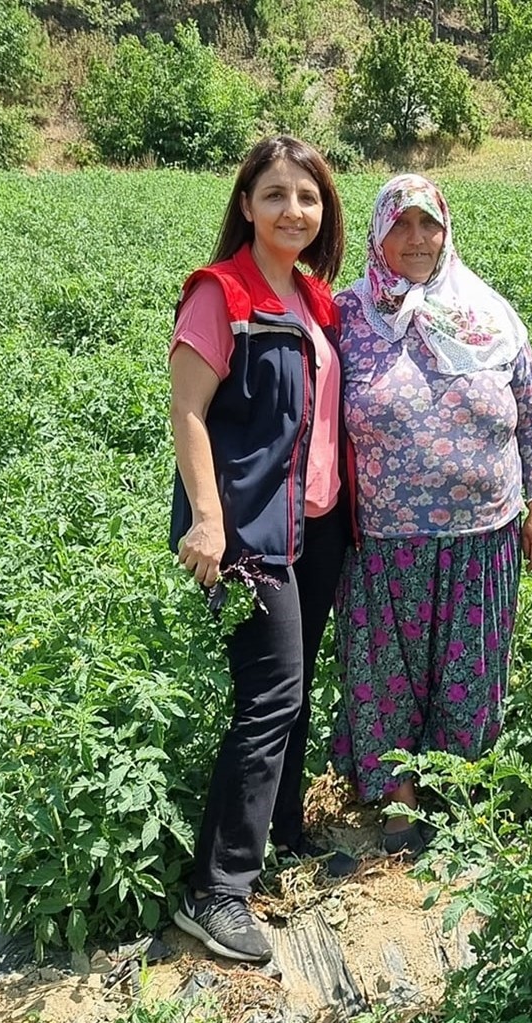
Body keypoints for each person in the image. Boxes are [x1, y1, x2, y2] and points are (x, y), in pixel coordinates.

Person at [330, 173, 532, 855]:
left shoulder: (489, 313)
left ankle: (454, 792)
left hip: (482, 533)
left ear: (447, 230)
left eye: (428, 223)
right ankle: (401, 800)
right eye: (401, 224)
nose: (417, 239)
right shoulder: (346, 316)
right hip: (380, 537)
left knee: (471, 666)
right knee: (385, 670)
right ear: (378, 234)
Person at [168, 135, 357, 965]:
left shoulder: (315, 301)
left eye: (308, 197)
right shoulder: (222, 293)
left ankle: (282, 830)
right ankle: (218, 889)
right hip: (248, 530)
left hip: (312, 527)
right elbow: (188, 412)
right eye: (275, 195)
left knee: (297, 683)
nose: (293, 210)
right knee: (271, 695)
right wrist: (207, 517)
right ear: (246, 204)